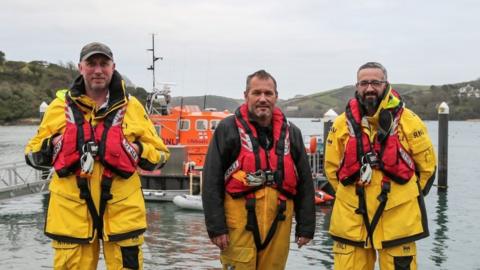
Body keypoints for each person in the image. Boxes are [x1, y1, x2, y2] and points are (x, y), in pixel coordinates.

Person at [25, 42, 170, 269]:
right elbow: (32, 154)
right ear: (80, 67)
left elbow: (161, 155)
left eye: (104, 63)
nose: (98, 70)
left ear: (113, 67)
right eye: (91, 63)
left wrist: (138, 150)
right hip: (70, 213)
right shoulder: (58, 108)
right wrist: (51, 147)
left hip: (122, 211)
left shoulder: (132, 107)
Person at [324, 62, 437, 270]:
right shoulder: (340, 125)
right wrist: (350, 197)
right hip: (352, 219)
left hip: (398, 221)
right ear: (357, 86)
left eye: (376, 82)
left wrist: (403, 197)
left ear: (386, 84)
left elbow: (427, 169)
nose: (369, 88)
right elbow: (331, 170)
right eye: (364, 83)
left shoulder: (410, 121)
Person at [202, 70, 316, 270]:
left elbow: (305, 181)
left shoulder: (292, 133)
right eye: (256, 93)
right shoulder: (227, 129)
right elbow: (211, 180)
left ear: (276, 97)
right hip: (238, 226)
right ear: (246, 96)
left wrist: (306, 226)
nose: (262, 99)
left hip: (279, 225)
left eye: (268, 93)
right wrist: (216, 228)